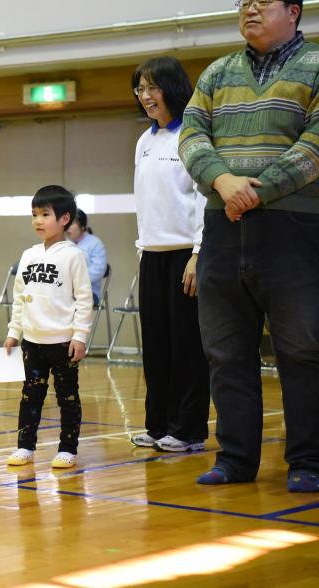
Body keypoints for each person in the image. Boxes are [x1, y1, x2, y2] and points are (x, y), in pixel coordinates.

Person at [179, 0, 319, 492]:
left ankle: (308, 462)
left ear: (294, 11)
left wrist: (257, 191)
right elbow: (192, 137)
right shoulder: (217, 72)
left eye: (263, 2)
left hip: (294, 229)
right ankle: (235, 460)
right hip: (223, 227)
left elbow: (316, 144)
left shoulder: (317, 66)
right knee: (225, 350)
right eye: (244, 3)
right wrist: (222, 182)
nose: (250, 9)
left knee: (302, 348)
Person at [130, 56, 211, 454]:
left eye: (152, 87)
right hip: (152, 255)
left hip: (185, 255)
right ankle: (158, 423)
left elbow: (202, 200)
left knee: (187, 347)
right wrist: (143, 250)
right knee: (157, 346)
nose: (146, 96)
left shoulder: (193, 136)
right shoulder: (145, 141)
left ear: (173, 89)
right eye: (140, 89)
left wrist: (198, 254)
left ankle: (189, 430)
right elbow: (146, 203)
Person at [4, 185, 93, 469]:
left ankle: (68, 448)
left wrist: (79, 336)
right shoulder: (28, 254)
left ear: (65, 218)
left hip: (62, 342)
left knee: (67, 397)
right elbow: (19, 298)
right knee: (30, 396)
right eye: (34, 215)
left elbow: (84, 299)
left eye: (45, 214)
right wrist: (13, 333)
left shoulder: (73, 255)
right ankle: (24, 446)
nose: (38, 221)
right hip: (32, 341)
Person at [67, 208, 107, 305]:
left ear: (82, 226)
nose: (68, 229)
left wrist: (75, 282)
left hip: (89, 292)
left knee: (63, 302)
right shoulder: (66, 244)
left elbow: (98, 270)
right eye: (67, 225)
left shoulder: (95, 243)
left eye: (72, 224)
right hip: (67, 291)